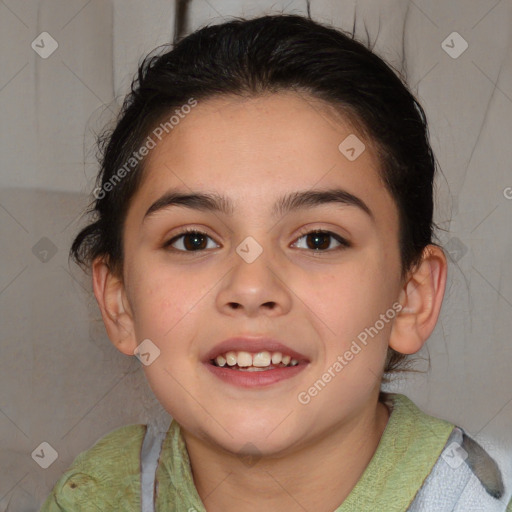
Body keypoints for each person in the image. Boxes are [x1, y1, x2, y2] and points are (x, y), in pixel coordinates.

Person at [39, 13, 511, 512]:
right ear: (120, 303)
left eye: (320, 240)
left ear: (411, 297)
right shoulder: (92, 495)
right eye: (194, 241)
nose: (251, 286)